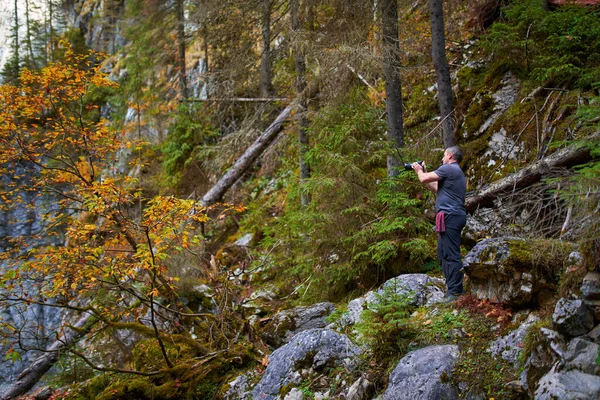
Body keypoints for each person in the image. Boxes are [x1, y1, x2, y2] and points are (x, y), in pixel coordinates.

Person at [412, 146, 467, 302]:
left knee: (451, 253)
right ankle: (452, 289)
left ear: (450, 156)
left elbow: (423, 179)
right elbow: (435, 188)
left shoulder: (449, 168)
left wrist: (418, 170)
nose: (442, 158)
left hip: (451, 216)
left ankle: (456, 292)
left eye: (444, 155)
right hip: (451, 216)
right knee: (443, 253)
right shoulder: (454, 172)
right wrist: (424, 170)